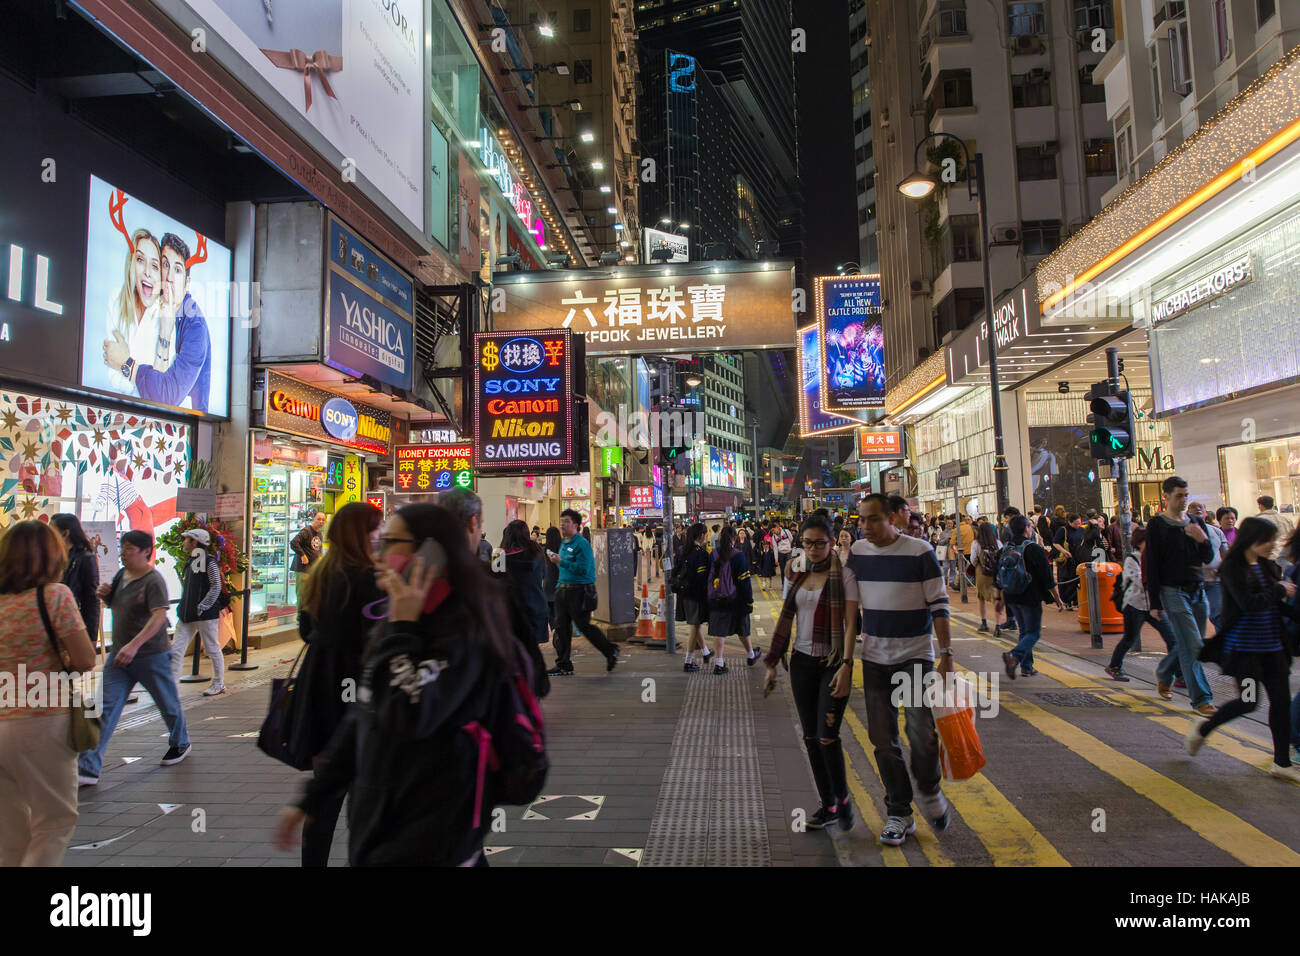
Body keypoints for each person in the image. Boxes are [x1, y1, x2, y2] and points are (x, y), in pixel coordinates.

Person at [274, 504, 518, 866]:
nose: (380, 551)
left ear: (428, 550)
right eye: (378, 539)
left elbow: (410, 711)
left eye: (390, 541)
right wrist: (311, 798)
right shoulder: (396, 616)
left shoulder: (462, 626)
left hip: (434, 829)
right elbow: (365, 714)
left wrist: (401, 629)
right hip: (383, 828)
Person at [840, 494, 952, 846]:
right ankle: (899, 812)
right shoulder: (857, 554)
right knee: (882, 740)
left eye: (873, 519)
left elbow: (939, 604)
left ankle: (930, 789)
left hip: (915, 655)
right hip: (874, 658)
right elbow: (850, 610)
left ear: (893, 518)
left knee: (920, 731)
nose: (865, 526)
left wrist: (947, 653)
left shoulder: (920, 551)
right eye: (862, 520)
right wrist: (845, 660)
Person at [287, 501, 383, 866]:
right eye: (375, 529)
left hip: (319, 695)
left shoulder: (321, 575)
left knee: (324, 799)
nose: (380, 536)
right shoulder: (372, 579)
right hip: (358, 697)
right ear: (363, 535)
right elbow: (376, 642)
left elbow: (306, 631)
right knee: (362, 799)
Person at [0, 521, 97, 866]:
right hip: (42, 719)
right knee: (54, 821)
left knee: (10, 832)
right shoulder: (55, 596)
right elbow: (86, 659)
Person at [1185, 517, 1298, 782]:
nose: (1273, 545)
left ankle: (1282, 762)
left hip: (1273, 650)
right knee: (1248, 702)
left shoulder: (1268, 566)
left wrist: (1291, 609)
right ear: (1253, 540)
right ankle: (1205, 728)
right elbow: (1249, 604)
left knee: (1281, 704)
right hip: (1246, 653)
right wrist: (1280, 590)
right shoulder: (1233, 569)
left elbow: (1274, 605)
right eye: (1268, 540)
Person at [77, 530, 190, 786]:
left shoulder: (154, 580)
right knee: (104, 707)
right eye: (123, 548)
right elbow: (116, 604)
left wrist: (135, 645)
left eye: (129, 548)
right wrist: (105, 595)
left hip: (151, 655)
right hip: (119, 656)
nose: (124, 553)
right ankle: (88, 767)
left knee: (167, 703)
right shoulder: (121, 575)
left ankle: (181, 742)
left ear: (146, 552)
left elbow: (159, 616)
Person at [763, 515, 852, 831]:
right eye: (808, 543)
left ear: (832, 543)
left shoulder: (844, 576)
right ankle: (828, 804)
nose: (813, 549)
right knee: (811, 738)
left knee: (828, 736)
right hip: (801, 662)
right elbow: (787, 615)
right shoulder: (797, 574)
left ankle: (842, 798)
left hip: (832, 662)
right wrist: (773, 661)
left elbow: (854, 623)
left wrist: (848, 663)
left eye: (820, 543)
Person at [105, 232, 212, 412]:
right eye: (164, 265)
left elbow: (165, 397)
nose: (169, 276)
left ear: (187, 283)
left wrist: (127, 364)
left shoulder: (195, 327)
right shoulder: (148, 304)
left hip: (182, 428)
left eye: (177, 270)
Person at [1146, 476, 1218, 716]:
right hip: (1172, 591)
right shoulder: (1157, 525)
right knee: (1194, 645)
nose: (1184, 500)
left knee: (1189, 644)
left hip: (1197, 591)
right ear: (1165, 497)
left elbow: (1207, 557)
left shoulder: (1197, 522)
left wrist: (1202, 538)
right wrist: (1155, 602)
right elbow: (1153, 565)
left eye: (1186, 495)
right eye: (1179, 495)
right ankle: (1201, 699)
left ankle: (1165, 672)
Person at [548, 509, 619, 676]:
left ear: (576, 524)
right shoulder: (564, 543)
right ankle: (564, 664)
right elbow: (564, 568)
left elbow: (583, 569)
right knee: (561, 629)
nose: (562, 524)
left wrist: (561, 562)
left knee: (584, 626)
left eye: (566, 521)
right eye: (561, 520)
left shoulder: (582, 544)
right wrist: (559, 583)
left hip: (580, 591)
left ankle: (610, 650)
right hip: (563, 591)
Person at [1104, 527, 1176, 681]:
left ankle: (1177, 673)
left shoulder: (1156, 558)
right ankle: (1114, 666)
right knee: (1129, 638)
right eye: (1147, 541)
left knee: (1172, 639)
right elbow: (1140, 581)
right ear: (1139, 543)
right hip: (1134, 605)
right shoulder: (1133, 559)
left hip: (1154, 606)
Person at [1000, 515, 1067, 679]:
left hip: (1012, 596)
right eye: (1030, 526)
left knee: (1024, 630)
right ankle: (1014, 656)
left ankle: (1027, 666)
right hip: (1029, 597)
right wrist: (1058, 600)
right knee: (1033, 633)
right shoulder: (1033, 548)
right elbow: (1048, 578)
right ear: (1026, 529)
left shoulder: (1006, 548)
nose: (1031, 529)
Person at [100, 227, 164, 396]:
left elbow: (157, 386)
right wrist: (139, 375)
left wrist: (124, 362)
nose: (147, 272)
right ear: (131, 264)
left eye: (155, 266)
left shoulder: (166, 317)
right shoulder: (116, 300)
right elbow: (112, 373)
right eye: (140, 260)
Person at [168, 528, 226, 696]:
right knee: (177, 649)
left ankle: (218, 683)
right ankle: (171, 687)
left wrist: (203, 606)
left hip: (203, 614)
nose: (184, 542)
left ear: (195, 542)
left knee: (212, 648)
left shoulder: (208, 562)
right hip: (187, 614)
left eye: (187, 539)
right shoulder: (192, 561)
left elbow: (216, 586)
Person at [498, 519, 550, 698]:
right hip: (536, 606)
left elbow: (495, 585)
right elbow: (543, 575)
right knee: (531, 651)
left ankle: (519, 695)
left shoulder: (500, 557)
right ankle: (532, 694)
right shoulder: (536, 552)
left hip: (511, 612)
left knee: (513, 654)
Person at [706, 526, 759, 673]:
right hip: (736, 599)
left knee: (719, 632)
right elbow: (744, 581)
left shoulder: (714, 554)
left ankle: (719, 663)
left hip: (717, 599)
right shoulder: (738, 555)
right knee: (742, 628)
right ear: (734, 539)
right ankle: (750, 655)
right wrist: (749, 600)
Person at [52, 514, 101, 649]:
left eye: (52, 530)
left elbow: (91, 599)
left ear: (65, 533)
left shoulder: (85, 558)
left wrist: (91, 637)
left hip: (71, 622)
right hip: (52, 621)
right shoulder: (53, 556)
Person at [676, 523, 714, 671]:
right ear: (701, 535)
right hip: (696, 596)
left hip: (683, 594)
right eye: (706, 534)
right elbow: (703, 578)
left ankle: (705, 652)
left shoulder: (681, 550)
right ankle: (688, 661)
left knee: (695, 624)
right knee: (695, 626)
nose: (707, 536)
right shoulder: (701, 553)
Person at [1188, 501, 1228, 629]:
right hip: (1193, 581)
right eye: (1193, 507)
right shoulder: (1184, 531)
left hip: (1214, 580)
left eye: (1201, 507)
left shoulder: (1216, 532)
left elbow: (1225, 554)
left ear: (1206, 513)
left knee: (1219, 615)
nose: (1197, 509)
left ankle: (1223, 643)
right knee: (1194, 618)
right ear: (1188, 512)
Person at [972, 521, 1001, 633]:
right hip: (995, 573)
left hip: (982, 572)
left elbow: (973, 560)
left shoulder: (976, 543)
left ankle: (984, 623)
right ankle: (998, 626)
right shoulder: (998, 543)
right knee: (997, 599)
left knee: (981, 597)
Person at [1255, 496, 1295, 563]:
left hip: (1269, 558)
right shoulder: (1286, 520)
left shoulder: (1257, 521)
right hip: (1286, 557)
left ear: (1261, 505)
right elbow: (1293, 537)